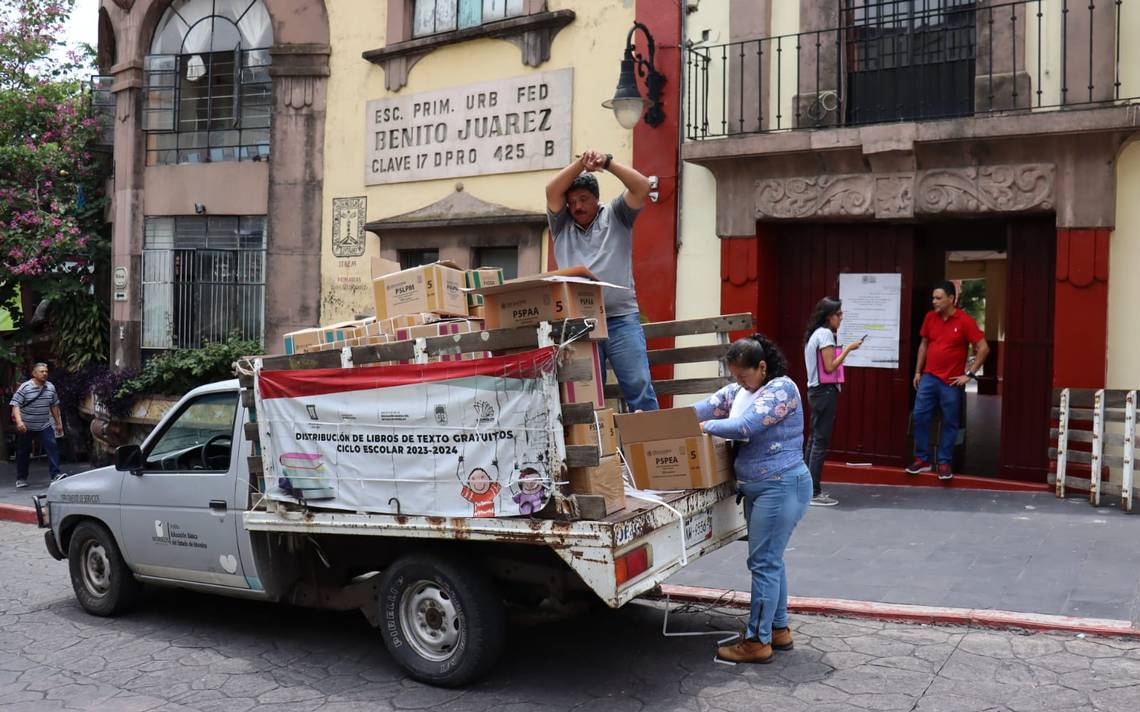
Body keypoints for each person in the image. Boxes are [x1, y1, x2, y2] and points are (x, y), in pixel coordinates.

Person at [694, 334, 812, 664]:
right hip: (761, 488)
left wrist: (705, 427)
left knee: (763, 564)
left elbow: (746, 427)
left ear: (761, 367)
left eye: (743, 375)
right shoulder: (741, 391)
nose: (739, 382)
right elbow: (704, 407)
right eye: (734, 376)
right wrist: (663, 422)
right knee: (771, 561)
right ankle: (778, 629)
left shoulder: (782, 389)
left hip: (781, 485)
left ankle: (757, 642)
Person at [545, 149, 658, 412]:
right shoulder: (561, 224)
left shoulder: (617, 214)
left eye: (583, 199)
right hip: (579, 324)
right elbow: (552, 191)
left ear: (597, 199)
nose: (577, 207)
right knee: (582, 395)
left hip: (620, 319)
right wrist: (580, 164)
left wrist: (606, 163)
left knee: (638, 387)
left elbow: (642, 186)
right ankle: (592, 450)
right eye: (572, 202)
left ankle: (647, 446)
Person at [905, 281, 990, 481]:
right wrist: (918, 371)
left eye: (938, 298)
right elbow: (924, 344)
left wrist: (969, 374)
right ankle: (922, 459)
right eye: (933, 298)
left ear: (951, 299)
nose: (934, 301)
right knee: (919, 416)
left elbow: (984, 348)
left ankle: (944, 462)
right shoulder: (930, 318)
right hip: (929, 377)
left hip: (951, 382)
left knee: (950, 422)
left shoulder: (965, 321)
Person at [803, 297, 863, 507]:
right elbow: (829, 367)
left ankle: (807, 488)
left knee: (813, 439)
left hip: (816, 391)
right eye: (839, 314)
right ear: (829, 316)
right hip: (825, 392)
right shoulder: (826, 334)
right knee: (820, 441)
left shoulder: (815, 334)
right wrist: (848, 349)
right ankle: (813, 491)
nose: (841, 317)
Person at [9, 362, 64, 488]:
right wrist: (19, 422)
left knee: (52, 446)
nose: (45, 374)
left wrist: (58, 423)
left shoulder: (50, 387)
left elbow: (54, 405)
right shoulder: (25, 387)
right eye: (41, 371)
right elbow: (15, 405)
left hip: (44, 424)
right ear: (34, 374)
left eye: (46, 371)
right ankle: (21, 478)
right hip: (26, 425)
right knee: (24, 451)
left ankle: (55, 474)